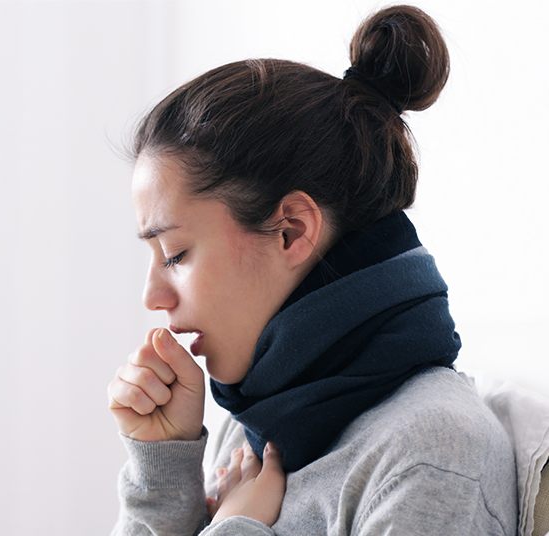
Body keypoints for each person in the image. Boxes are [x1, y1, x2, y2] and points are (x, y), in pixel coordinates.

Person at [107, 5, 517, 535]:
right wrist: (162, 469)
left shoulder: (429, 456)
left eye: (176, 254)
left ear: (292, 231)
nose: (153, 295)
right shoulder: (254, 427)